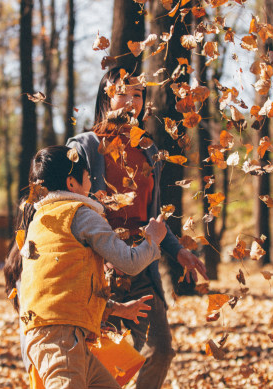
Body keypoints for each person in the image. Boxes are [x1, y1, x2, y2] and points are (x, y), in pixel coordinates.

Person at [67, 67, 208, 389]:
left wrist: (178, 250)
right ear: (106, 96)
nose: (131, 101)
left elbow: (152, 215)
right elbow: (71, 202)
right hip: (97, 265)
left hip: (141, 261)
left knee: (160, 349)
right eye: (123, 93)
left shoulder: (149, 151)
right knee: (96, 357)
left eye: (138, 95)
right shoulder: (85, 145)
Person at [11, 145, 167, 389]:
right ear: (71, 183)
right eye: (87, 177)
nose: (92, 183)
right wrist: (153, 240)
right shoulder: (81, 213)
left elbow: (62, 287)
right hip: (61, 340)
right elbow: (130, 262)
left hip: (58, 336)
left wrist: (115, 309)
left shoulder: (42, 219)